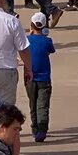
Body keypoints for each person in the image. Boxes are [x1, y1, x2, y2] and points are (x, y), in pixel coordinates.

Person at [24, 12, 55, 142]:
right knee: (42, 105)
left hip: (29, 78)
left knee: (33, 103)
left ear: (31, 25)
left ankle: (35, 128)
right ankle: (42, 129)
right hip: (44, 78)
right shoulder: (47, 41)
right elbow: (50, 50)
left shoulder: (26, 40)